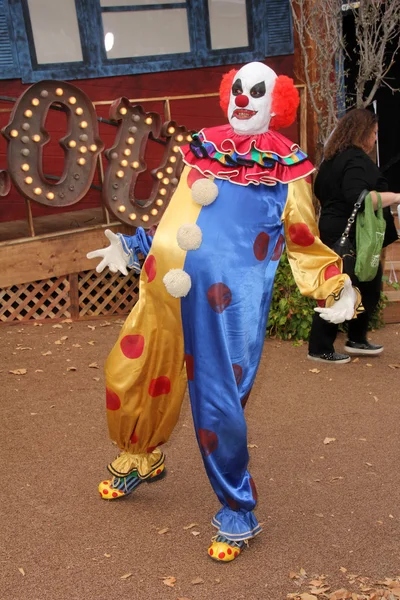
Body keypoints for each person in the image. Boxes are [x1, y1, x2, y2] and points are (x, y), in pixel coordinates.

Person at [87, 62, 361, 562]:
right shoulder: (204, 150)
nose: (243, 98)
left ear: (274, 102)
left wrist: (333, 284)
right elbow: (178, 213)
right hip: (168, 287)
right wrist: (134, 246)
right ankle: (138, 454)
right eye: (237, 88)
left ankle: (239, 510)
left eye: (256, 91)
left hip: (226, 307)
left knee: (218, 405)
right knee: (133, 372)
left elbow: (302, 239)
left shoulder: (287, 168)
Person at [308, 108, 400, 364]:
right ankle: (319, 347)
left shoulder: (331, 160)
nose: (375, 139)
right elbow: (360, 197)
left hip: (337, 230)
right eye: (374, 133)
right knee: (338, 288)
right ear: (362, 133)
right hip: (349, 236)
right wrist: (396, 197)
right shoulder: (355, 160)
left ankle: (357, 338)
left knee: (366, 285)